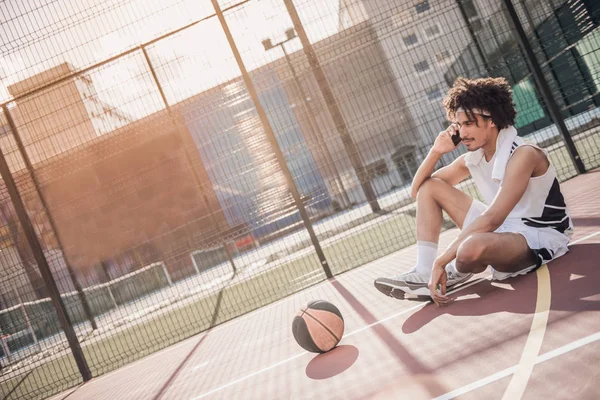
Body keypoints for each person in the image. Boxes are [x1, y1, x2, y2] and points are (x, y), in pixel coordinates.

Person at [374, 77, 573, 305]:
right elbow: (419, 190)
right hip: (502, 229)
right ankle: (423, 270)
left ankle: (452, 270)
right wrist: (437, 151)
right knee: (431, 187)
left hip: (538, 234)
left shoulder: (524, 154)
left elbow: (492, 218)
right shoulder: (474, 158)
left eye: (469, 123)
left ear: (492, 120)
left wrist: (443, 259)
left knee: (470, 247)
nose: (463, 132)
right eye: (459, 125)